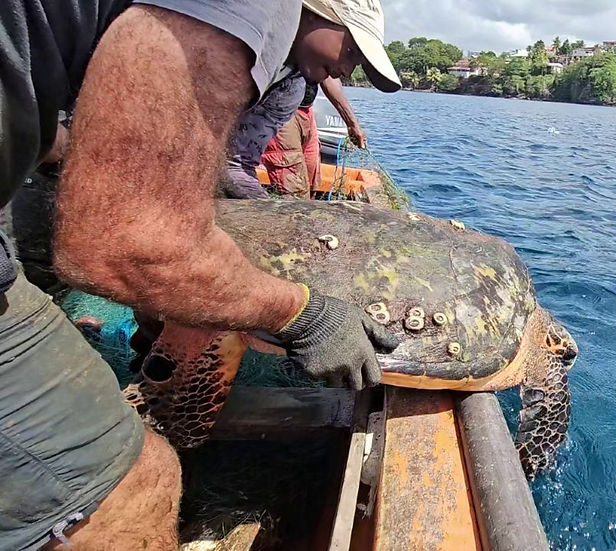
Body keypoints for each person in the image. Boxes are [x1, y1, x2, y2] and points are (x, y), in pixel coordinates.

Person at [0, 0, 401, 549]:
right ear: (317, 12)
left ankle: (134, 356)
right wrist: (302, 313)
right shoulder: (254, 7)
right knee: (133, 484)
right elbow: (125, 245)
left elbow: (42, 118)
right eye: (352, 51)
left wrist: (83, 154)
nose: (349, 71)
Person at [223, 75, 367, 199]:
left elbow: (328, 76)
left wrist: (351, 122)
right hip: (281, 111)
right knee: (294, 191)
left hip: (307, 111)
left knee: (311, 180)